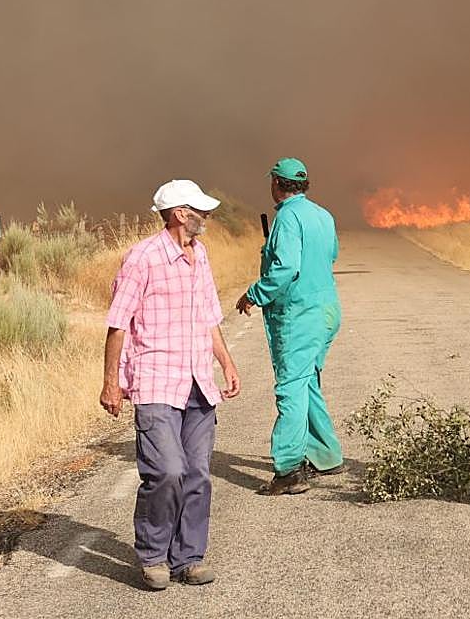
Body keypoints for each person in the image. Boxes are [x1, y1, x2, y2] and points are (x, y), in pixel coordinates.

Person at [100, 179, 241, 590]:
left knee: (197, 473)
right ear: (181, 213)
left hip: (199, 380)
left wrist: (227, 363)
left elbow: (210, 317)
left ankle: (189, 557)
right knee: (167, 471)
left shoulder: (201, 254)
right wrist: (112, 383)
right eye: (201, 209)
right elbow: (117, 323)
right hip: (157, 381)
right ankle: (152, 555)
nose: (207, 216)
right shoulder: (142, 258)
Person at [235, 158, 344, 495]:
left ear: (277, 184)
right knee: (308, 380)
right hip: (327, 311)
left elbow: (285, 268)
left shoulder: (286, 217)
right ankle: (327, 456)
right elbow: (332, 255)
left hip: (300, 315)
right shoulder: (323, 215)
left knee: (291, 387)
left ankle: (288, 470)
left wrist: (254, 294)